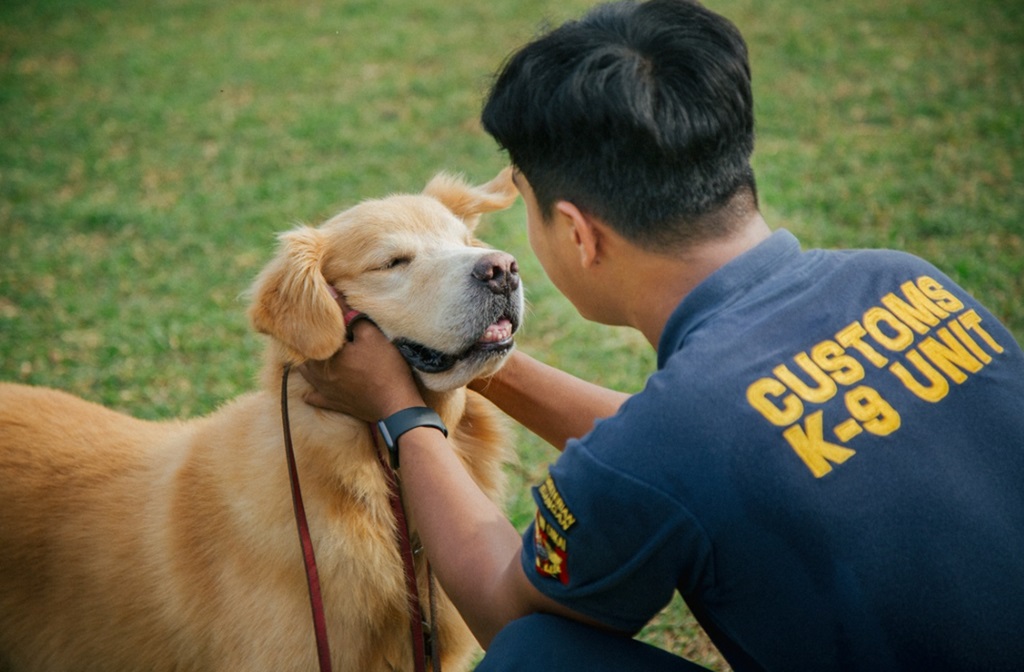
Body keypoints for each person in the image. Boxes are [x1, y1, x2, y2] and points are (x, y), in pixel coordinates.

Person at [299, 0, 1024, 669]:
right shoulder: (905, 279)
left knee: (536, 658)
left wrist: (403, 412)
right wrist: (473, 354)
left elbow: (504, 608)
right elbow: (723, 441)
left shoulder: (671, 440)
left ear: (579, 234)